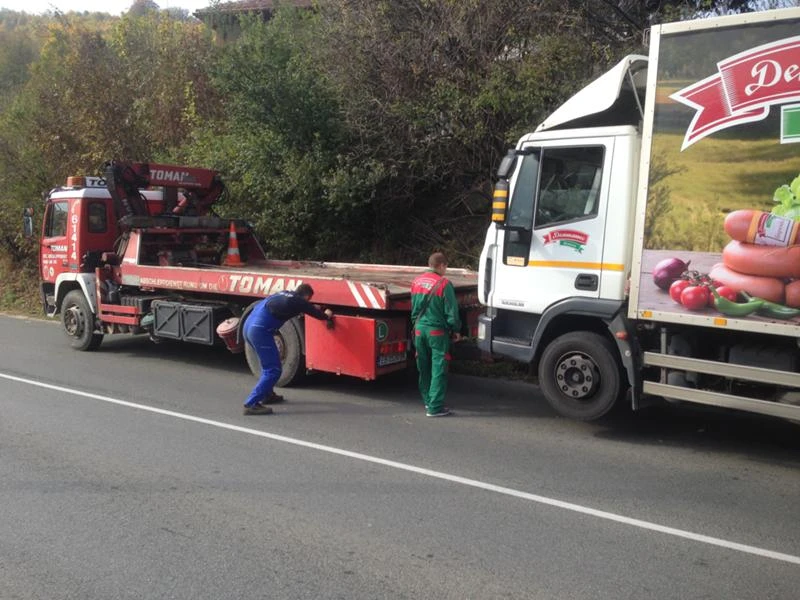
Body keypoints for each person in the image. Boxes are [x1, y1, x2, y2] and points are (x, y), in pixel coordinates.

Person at [242, 283, 333, 415]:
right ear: (307, 297)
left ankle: (267, 394)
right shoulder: (299, 302)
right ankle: (251, 404)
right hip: (260, 331)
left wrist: (310, 307)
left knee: (266, 364)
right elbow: (319, 315)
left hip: (249, 325)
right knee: (273, 370)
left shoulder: (284, 294)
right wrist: (327, 315)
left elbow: (303, 306)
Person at [410, 252, 462, 417]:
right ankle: (435, 407)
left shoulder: (416, 282)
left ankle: (427, 401)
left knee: (423, 367)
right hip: (437, 332)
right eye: (446, 266)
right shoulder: (444, 284)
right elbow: (451, 312)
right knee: (438, 368)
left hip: (419, 330)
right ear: (441, 266)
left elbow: (413, 308)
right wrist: (456, 330)